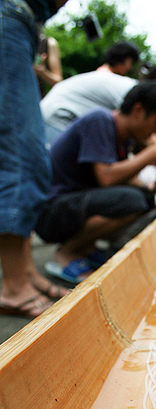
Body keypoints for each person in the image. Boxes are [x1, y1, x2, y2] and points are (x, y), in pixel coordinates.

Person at [35, 81, 156, 284]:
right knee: (130, 200)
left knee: (147, 199)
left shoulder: (122, 137)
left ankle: (87, 248)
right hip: (51, 212)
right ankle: (67, 252)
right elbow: (107, 177)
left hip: (74, 205)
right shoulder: (100, 120)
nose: (154, 130)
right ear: (139, 111)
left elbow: (119, 176)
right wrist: (153, 153)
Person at [0, 0, 69, 319]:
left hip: (21, 25)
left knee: (29, 156)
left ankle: (26, 273)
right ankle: (13, 285)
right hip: (10, 18)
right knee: (20, 156)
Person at [40, 41, 140, 146]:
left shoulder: (101, 77)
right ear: (123, 59)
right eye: (131, 63)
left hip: (46, 117)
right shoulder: (117, 83)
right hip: (54, 122)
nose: (130, 68)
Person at [34, 33, 63, 97]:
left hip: (37, 99)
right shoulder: (12, 40)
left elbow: (58, 82)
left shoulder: (48, 43)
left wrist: (42, 72)